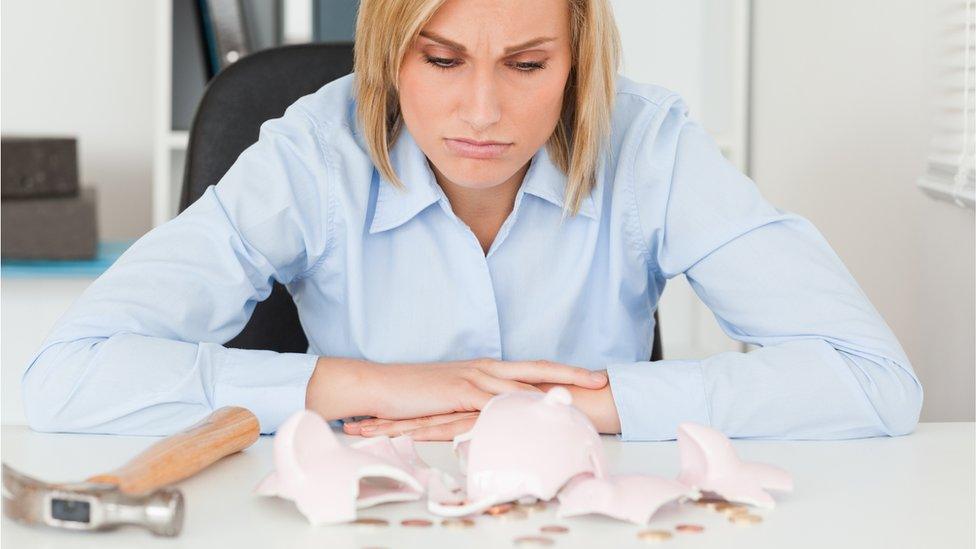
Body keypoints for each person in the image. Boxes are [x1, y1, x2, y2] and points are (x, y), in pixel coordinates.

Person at [21, 0, 922, 441]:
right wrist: (369, 384)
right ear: (389, 54)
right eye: (443, 58)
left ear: (578, 62)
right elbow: (68, 378)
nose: (482, 111)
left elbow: (874, 380)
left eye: (527, 64)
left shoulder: (650, 144)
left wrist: (589, 406)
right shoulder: (313, 152)